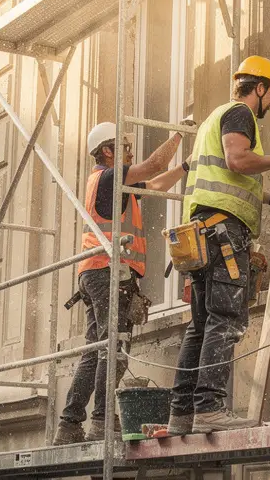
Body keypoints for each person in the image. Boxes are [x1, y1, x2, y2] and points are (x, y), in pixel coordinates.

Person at [166, 56, 270, 434]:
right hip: (224, 234)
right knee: (226, 318)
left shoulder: (213, 120)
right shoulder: (240, 114)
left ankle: (182, 413)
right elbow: (237, 160)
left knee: (201, 325)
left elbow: (224, 178)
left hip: (203, 233)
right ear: (259, 88)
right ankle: (209, 408)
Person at [53, 121, 193, 445]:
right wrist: (179, 134)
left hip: (95, 271)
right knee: (113, 347)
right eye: (124, 147)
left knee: (96, 349)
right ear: (107, 151)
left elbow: (156, 183)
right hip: (108, 271)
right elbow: (155, 165)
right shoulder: (109, 177)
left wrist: (186, 166)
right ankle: (102, 421)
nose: (130, 153)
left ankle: (70, 423)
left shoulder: (110, 184)